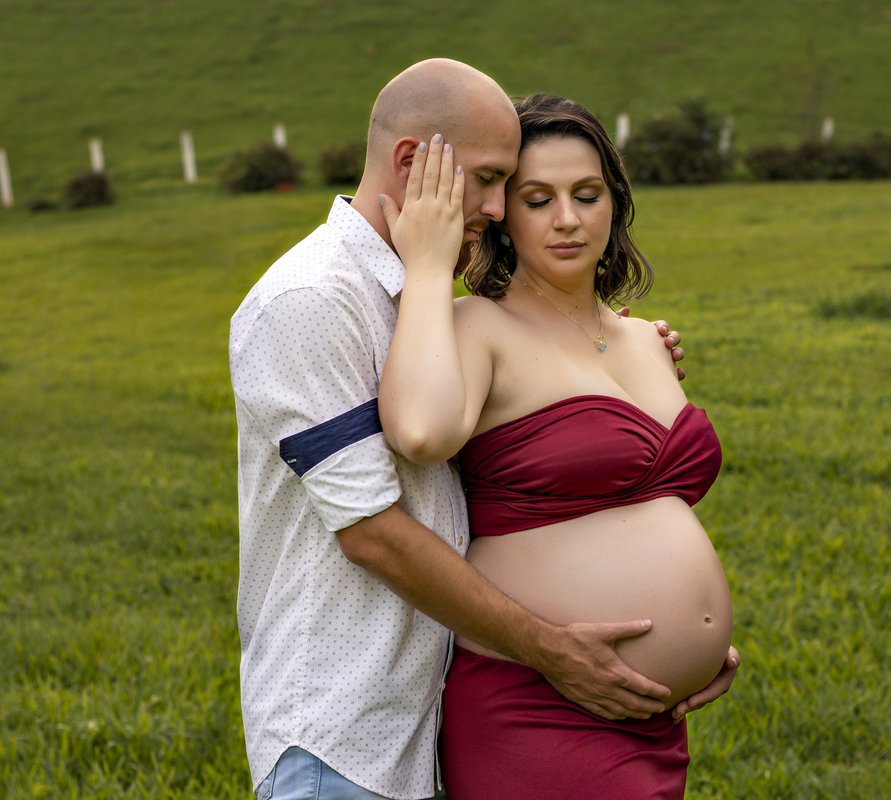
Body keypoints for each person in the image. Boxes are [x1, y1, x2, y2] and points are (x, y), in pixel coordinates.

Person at [229, 60, 738, 800]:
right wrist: (551, 650)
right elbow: (370, 525)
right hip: (343, 724)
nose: (500, 210)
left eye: (585, 195)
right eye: (497, 182)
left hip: (435, 700)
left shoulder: (411, 295)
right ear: (413, 163)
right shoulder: (313, 298)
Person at [377, 93, 734, 799]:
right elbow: (420, 432)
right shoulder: (477, 328)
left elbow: (643, 510)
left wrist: (693, 643)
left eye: (587, 194)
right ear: (501, 214)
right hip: (537, 701)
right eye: (537, 199)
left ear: (615, 203)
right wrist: (428, 264)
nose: (568, 220)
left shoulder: (643, 339)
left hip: (653, 715)